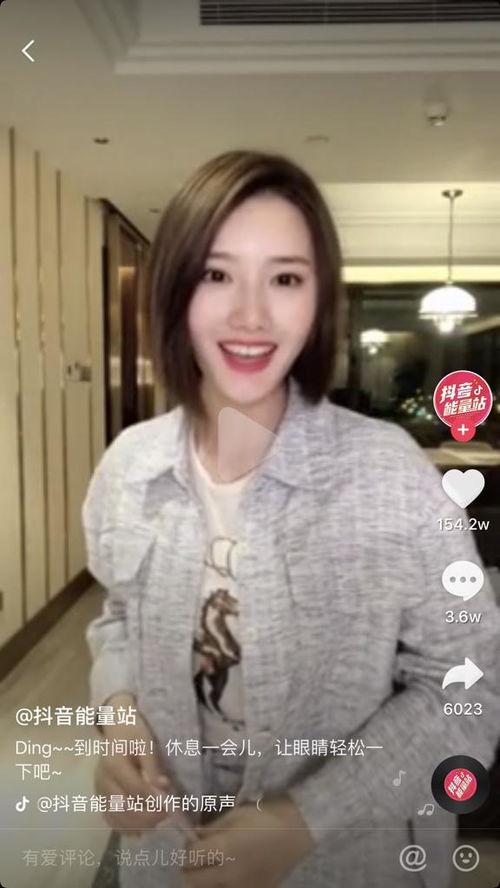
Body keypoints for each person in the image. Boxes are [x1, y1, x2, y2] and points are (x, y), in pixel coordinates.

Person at [83, 150, 500, 888]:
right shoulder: (129, 465)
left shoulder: (389, 474)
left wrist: (304, 820)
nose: (250, 314)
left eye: (285, 279)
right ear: (176, 290)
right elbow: (118, 615)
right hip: (166, 860)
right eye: (216, 275)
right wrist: (118, 714)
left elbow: (469, 690)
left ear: (319, 301)